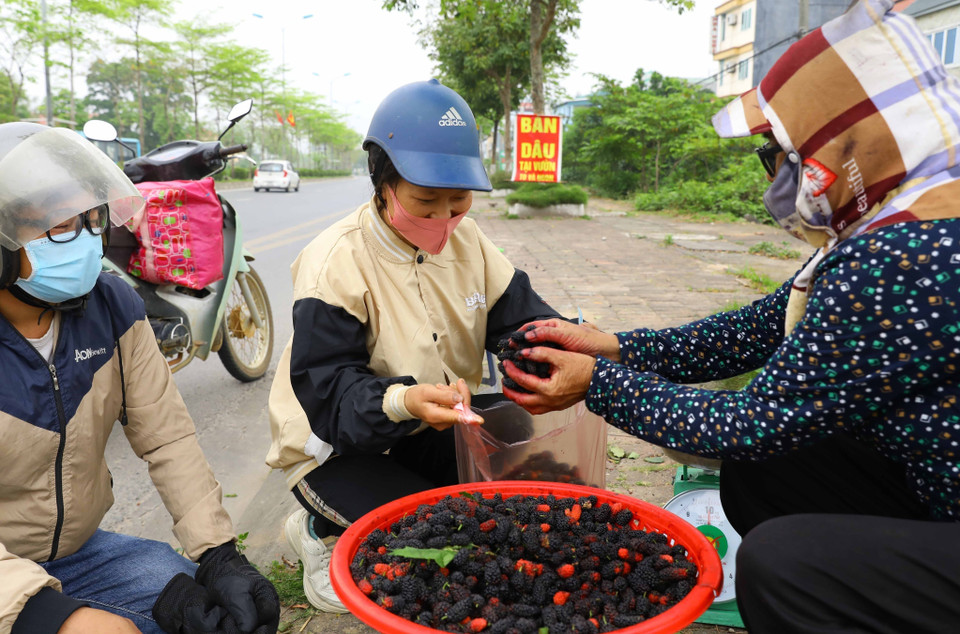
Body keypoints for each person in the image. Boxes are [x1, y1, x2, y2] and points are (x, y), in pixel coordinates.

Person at [500, 1, 960, 631]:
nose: (776, 178)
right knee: (770, 467)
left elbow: (748, 424)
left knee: (784, 565)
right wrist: (611, 346)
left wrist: (596, 384)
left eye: (781, 155)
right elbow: (756, 329)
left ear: (845, 148)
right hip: (935, 482)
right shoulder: (909, 216)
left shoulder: (905, 256)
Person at [266, 79, 564, 613]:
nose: (443, 220)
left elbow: (524, 321)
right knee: (434, 544)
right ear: (383, 183)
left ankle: (408, 491)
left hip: (433, 425)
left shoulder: (469, 241)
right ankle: (316, 529)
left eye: (458, 201)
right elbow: (331, 395)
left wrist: (570, 351)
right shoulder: (335, 261)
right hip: (338, 446)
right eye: (425, 201)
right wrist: (403, 401)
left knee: (514, 436)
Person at [0, 123, 279, 634]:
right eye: (59, 225)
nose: (86, 239)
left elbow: (166, 437)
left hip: (77, 555)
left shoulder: (113, 307)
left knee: (208, 607)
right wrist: (46, 615)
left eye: (92, 219)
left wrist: (219, 554)